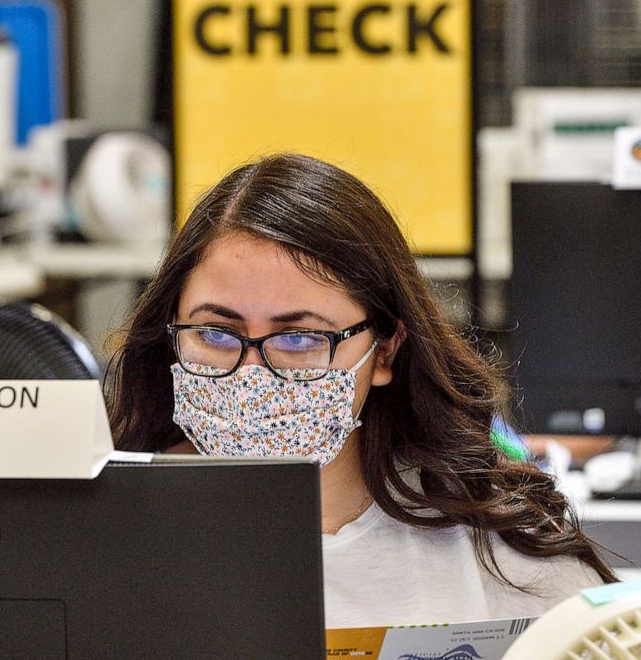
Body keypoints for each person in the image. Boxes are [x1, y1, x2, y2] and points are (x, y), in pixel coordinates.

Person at [107, 152, 615, 628]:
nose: (252, 373)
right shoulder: (104, 533)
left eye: (301, 338)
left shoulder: (498, 555)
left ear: (386, 351)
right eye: (216, 333)